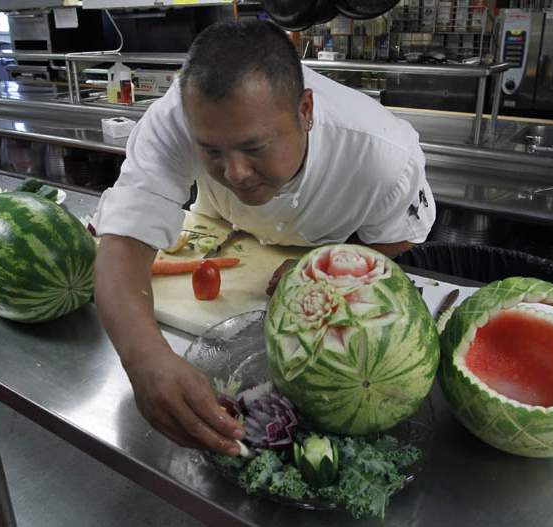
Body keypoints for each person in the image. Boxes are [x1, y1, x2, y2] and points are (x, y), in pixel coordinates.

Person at [92, 19, 436, 457]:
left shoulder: (382, 155)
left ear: (305, 111)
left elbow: (398, 242)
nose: (234, 172)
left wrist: (327, 264)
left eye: (254, 148)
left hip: (323, 242)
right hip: (223, 227)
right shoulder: (176, 119)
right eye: (211, 152)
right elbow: (123, 240)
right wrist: (143, 359)